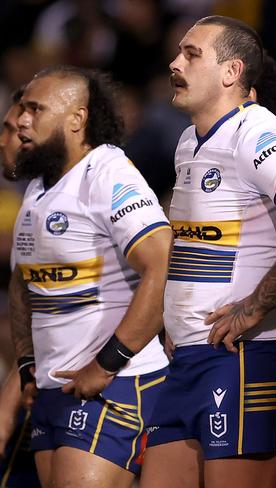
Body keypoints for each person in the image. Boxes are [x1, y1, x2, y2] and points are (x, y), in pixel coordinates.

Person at [140, 16, 276, 488]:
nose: (175, 63)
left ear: (231, 72)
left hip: (244, 357)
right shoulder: (188, 140)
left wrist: (255, 307)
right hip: (191, 357)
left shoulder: (256, 130)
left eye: (192, 54)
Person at [9, 66, 172, 488]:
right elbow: (22, 284)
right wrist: (29, 364)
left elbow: (163, 264)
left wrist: (107, 363)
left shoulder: (108, 173)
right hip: (54, 389)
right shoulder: (38, 186)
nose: (22, 119)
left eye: (34, 108)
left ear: (77, 119)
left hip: (114, 386)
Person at [0, 87, 41, 488]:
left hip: (102, 391)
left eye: (14, 130)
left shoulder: (103, 184)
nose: (4, 140)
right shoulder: (36, 195)